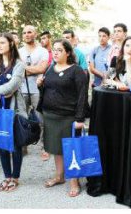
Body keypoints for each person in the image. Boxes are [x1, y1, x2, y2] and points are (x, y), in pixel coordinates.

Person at [36, 40, 88, 198]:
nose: (56, 53)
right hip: (50, 115)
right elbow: (50, 88)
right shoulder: (51, 68)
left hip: (68, 117)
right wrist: (40, 85)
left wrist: (80, 118)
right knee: (55, 148)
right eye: (54, 50)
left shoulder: (76, 70)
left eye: (59, 50)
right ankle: (59, 176)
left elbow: (82, 96)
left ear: (68, 53)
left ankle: (74, 181)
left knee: (70, 149)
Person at [0, 32, 27, 193]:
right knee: (2, 144)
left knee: (15, 145)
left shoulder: (18, 64)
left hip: (14, 110)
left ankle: (15, 177)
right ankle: (6, 176)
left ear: (10, 44)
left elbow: (13, 86)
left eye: (2, 42)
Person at [17, 25, 50, 128]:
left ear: (35, 34)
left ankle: (39, 144)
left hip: (38, 89)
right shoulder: (18, 52)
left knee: (40, 120)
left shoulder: (43, 51)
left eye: (29, 32)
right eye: (24, 33)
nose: (27, 34)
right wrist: (35, 68)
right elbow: (17, 72)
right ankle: (23, 143)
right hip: (21, 89)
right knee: (22, 120)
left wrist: (24, 67)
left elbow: (42, 69)